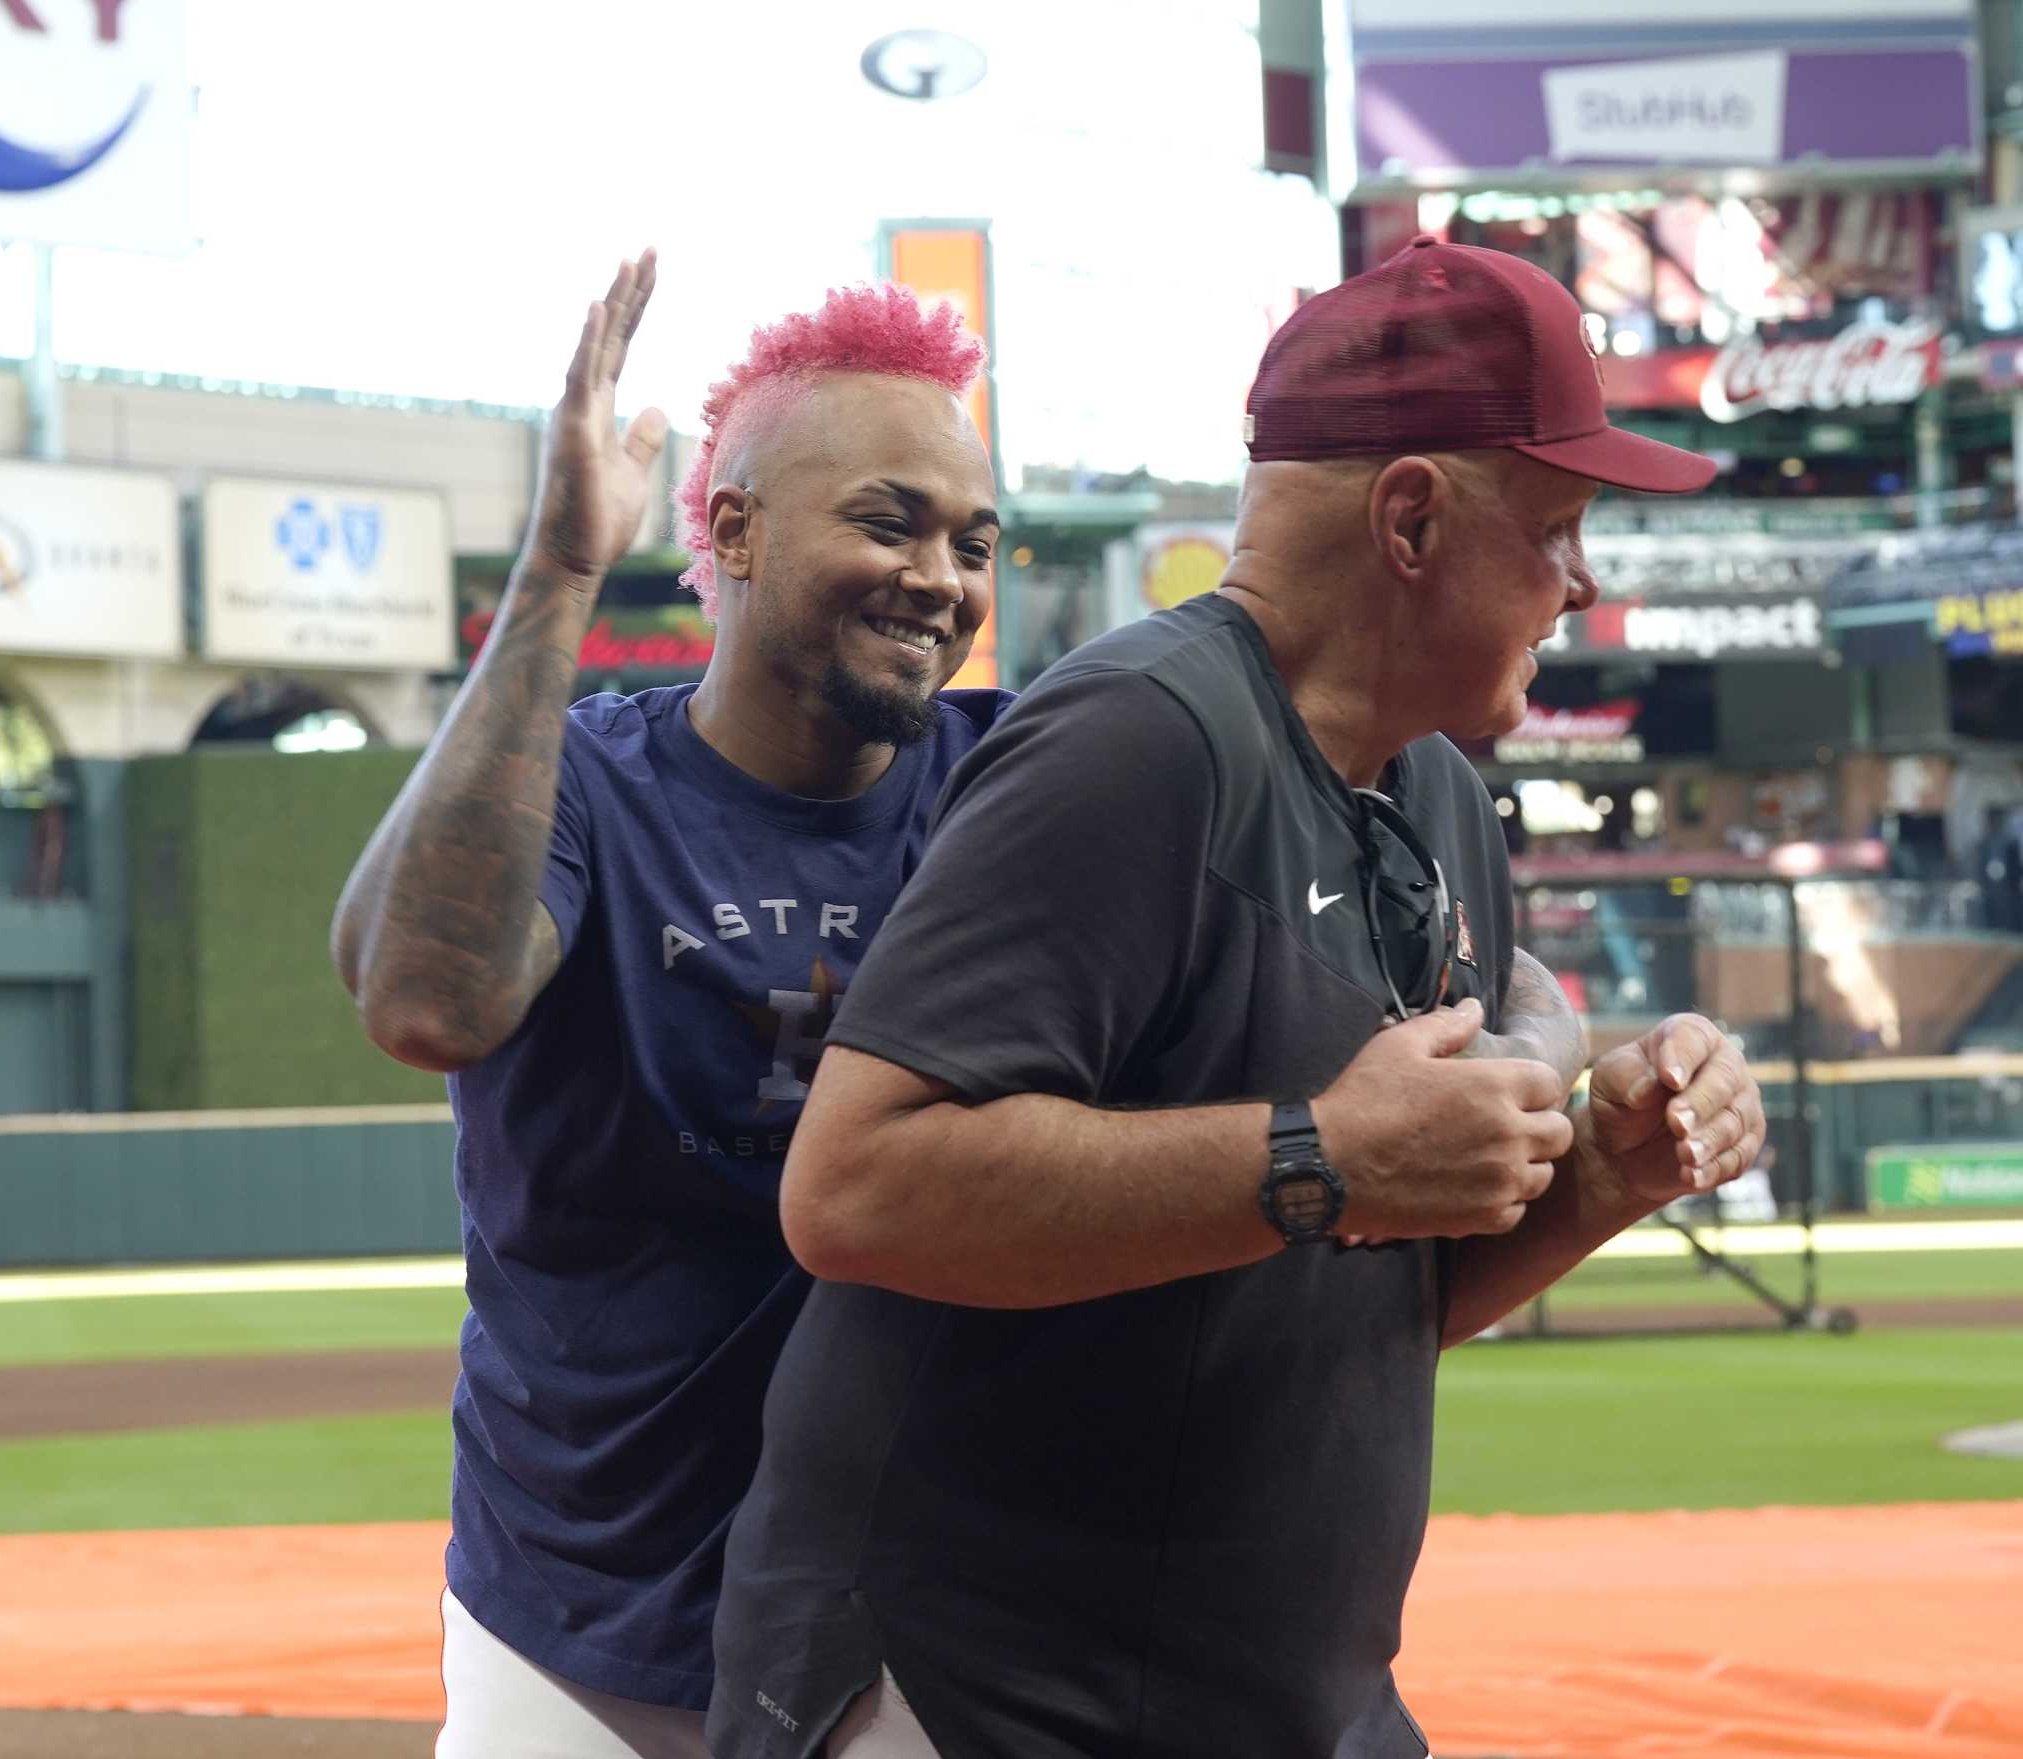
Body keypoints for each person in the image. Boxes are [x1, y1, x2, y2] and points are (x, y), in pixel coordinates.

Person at [710, 237, 1769, 1759]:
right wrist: (1323, 1155)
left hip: (1267, 1698)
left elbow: (1355, 1292)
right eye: (1558, 524)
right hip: (974, 1688)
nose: (1583, 580)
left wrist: (1604, 1172)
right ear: (1411, 516)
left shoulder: (1445, 799)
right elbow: (857, 1189)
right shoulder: (1138, 742)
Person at [329, 254, 1011, 1758]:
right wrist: (561, 572)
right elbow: (426, 1002)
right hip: (576, 1602)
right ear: (733, 528)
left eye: (975, 540)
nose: (942, 578)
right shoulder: (574, 779)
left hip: (906, 1611)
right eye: (887, 521)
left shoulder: (1015, 780)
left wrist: (1541, 1037)